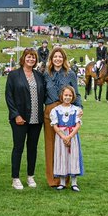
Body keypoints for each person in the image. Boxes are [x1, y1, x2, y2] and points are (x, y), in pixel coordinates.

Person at [4, 48, 45, 190]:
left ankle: (30, 176)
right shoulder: (14, 75)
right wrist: (16, 115)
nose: (31, 59)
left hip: (36, 118)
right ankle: (15, 178)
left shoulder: (39, 76)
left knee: (32, 148)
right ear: (23, 58)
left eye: (33, 57)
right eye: (28, 57)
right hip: (20, 119)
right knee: (18, 147)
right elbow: (9, 97)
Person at [42, 46, 82, 187]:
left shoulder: (70, 74)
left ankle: (66, 178)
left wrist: (80, 108)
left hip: (67, 112)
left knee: (66, 145)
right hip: (50, 112)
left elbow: (76, 93)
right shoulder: (46, 74)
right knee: (51, 146)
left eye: (60, 57)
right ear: (51, 59)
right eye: (55, 57)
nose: (57, 59)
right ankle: (53, 179)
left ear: (64, 59)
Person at [49, 86, 84, 191]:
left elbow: (78, 125)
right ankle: (62, 182)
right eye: (66, 95)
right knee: (61, 157)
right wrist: (63, 136)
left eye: (70, 95)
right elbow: (55, 125)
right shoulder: (55, 110)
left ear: (73, 97)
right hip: (60, 138)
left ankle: (74, 183)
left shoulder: (76, 110)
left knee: (73, 157)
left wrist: (69, 136)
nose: (68, 97)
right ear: (62, 96)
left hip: (72, 137)